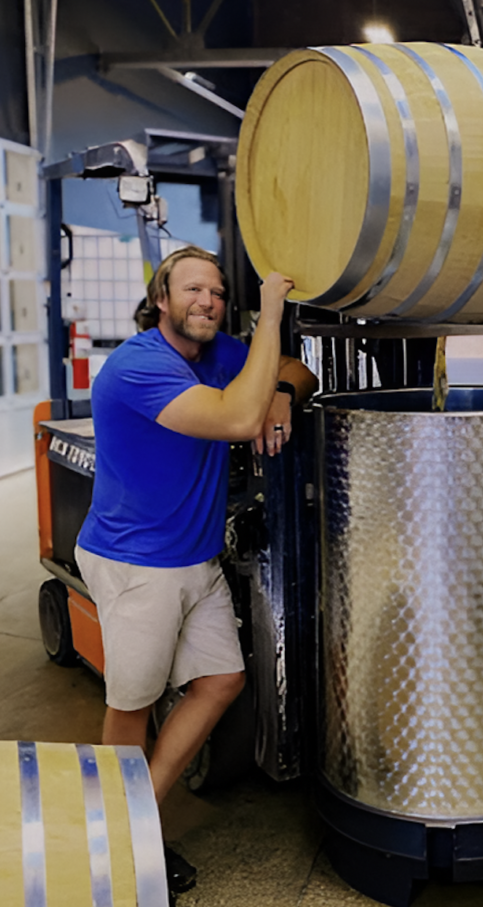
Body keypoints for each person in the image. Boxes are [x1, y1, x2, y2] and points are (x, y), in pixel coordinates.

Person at [75, 246, 317, 894]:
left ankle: (138, 817)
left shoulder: (218, 355)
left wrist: (284, 396)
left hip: (194, 556)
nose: (207, 300)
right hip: (136, 564)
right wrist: (271, 314)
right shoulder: (138, 367)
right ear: (162, 300)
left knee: (222, 678)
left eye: (215, 290)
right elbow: (239, 417)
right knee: (132, 706)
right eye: (192, 290)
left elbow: (296, 369)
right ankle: (115, 845)